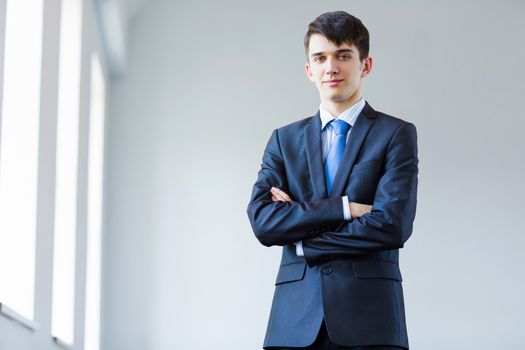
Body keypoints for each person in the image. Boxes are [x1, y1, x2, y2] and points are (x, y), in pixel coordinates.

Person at [247, 11, 418, 350]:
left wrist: (303, 241)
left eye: (343, 55)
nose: (331, 67)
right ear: (309, 70)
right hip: (293, 322)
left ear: (365, 65)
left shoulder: (396, 134)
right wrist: (346, 208)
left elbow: (392, 226)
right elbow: (265, 222)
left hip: (371, 319)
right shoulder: (283, 140)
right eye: (320, 58)